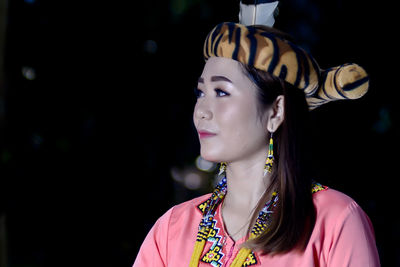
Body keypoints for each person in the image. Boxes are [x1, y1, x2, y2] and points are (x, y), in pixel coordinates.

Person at [133, 5, 380, 267]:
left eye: (222, 92)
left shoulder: (335, 220)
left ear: (276, 110)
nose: (202, 111)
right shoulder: (172, 228)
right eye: (200, 93)